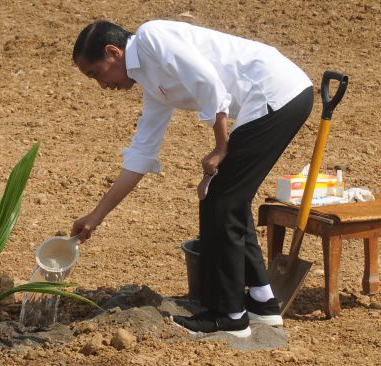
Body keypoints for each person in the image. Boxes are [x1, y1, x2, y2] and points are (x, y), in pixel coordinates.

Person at [70, 19, 313, 337]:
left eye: (96, 74)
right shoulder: (152, 85)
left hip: (278, 94)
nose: (102, 85)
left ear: (112, 52)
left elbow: (208, 82)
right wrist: (95, 216)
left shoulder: (150, 38)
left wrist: (221, 147)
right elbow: (140, 156)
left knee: (221, 198)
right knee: (227, 198)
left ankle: (229, 314)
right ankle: (262, 303)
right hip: (272, 100)